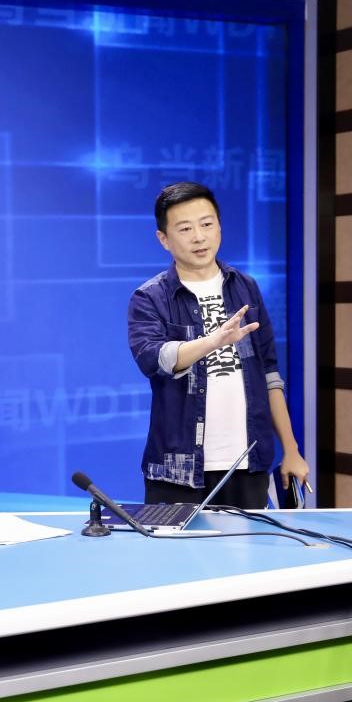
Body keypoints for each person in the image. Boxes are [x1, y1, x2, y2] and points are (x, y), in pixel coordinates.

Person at [127, 181, 308, 509]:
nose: (199, 237)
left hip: (248, 462)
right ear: (164, 239)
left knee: (252, 544)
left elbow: (269, 375)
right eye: (185, 229)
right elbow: (155, 359)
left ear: (220, 227)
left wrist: (292, 450)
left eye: (207, 224)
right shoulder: (150, 297)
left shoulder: (245, 288)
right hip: (177, 471)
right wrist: (213, 341)